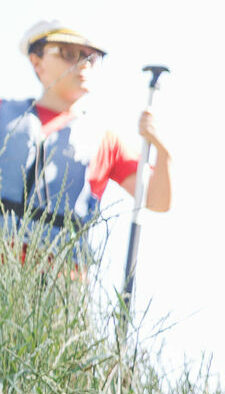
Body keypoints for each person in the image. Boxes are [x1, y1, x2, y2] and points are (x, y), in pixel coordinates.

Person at [3, 21, 171, 263]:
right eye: (68, 54)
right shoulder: (3, 113)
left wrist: (163, 149)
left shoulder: (106, 141)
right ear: (36, 61)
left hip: (60, 286)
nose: (83, 64)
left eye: (91, 58)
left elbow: (157, 200)